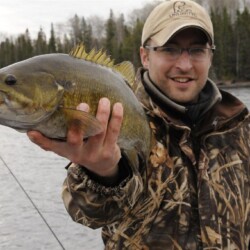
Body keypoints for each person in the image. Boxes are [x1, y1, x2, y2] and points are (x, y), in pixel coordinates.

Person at [27, 0, 250, 249]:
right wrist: (102, 173)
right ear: (144, 55)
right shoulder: (114, 117)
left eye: (197, 50)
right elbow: (89, 212)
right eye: (169, 49)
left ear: (210, 56)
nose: (185, 64)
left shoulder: (239, 125)